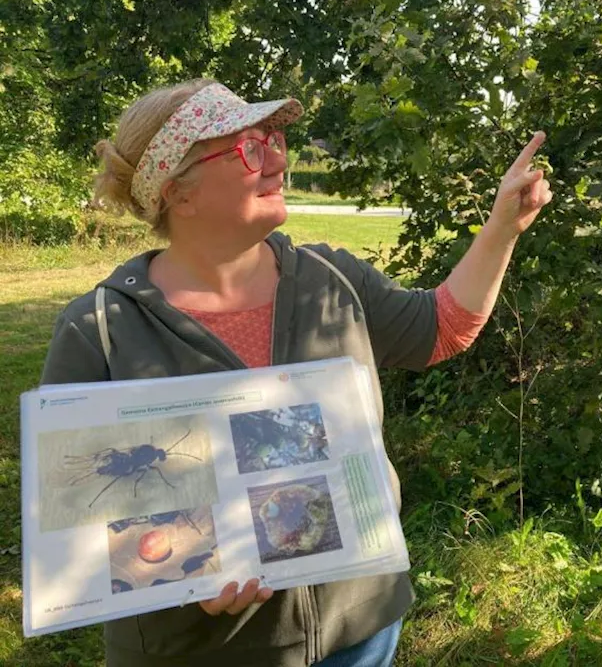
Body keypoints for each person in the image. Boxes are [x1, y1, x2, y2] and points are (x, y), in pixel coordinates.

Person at [39, 78, 553, 666]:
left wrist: (503, 228)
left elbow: (439, 329)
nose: (279, 158)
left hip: (357, 629)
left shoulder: (330, 280)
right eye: (249, 147)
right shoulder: (99, 329)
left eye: (274, 138)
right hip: (199, 653)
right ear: (178, 192)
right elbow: (75, 521)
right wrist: (184, 583)